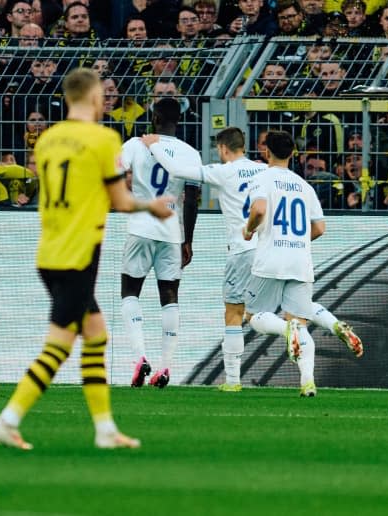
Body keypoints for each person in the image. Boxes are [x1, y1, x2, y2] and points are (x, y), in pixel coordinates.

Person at [0, 67, 174, 451]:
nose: (106, 102)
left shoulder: (48, 139)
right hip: (78, 255)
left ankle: (105, 429)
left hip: (50, 251)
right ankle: (7, 420)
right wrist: (151, 207)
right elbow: (120, 201)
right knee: (58, 346)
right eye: (103, 97)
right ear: (92, 98)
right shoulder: (104, 140)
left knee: (96, 334)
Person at [140, 126, 363, 392]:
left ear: (223, 149)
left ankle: (233, 381)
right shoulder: (277, 175)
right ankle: (313, 369)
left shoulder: (227, 171)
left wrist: (154, 144)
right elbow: (319, 227)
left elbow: (178, 170)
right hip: (284, 252)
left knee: (239, 314)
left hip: (245, 249)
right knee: (299, 312)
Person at [120, 97, 201, 389]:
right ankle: (165, 367)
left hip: (141, 226)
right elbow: (192, 199)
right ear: (178, 120)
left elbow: (116, 173)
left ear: (153, 118)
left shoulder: (135, 144)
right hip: (171, 232)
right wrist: (187, 239)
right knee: (169, 295)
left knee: (130, 291)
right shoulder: (190, 153)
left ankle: (140, 357)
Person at [241, 130, 325, 397]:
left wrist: (250, 229)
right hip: (301, 260)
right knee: (301, 323)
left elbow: (259, 209)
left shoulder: (261, 177)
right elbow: (320, 228)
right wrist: (299, 240)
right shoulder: (304, 185)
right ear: (293, 154)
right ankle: (308, 381)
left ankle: (283, 328)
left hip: (271, 259)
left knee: (253, 316)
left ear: (266, 151)